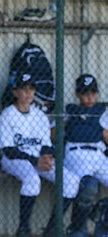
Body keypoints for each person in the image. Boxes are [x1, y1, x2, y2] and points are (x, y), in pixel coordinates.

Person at [0, 73, 81, 237]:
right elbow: (8, 150)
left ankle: (51, 228)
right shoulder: (7, 115)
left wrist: (48, 158)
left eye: (31, 89)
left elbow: (46, 144)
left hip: (38, 159)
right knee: (32, 179)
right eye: (24, 89)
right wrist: (36, 160)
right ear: (15, 92)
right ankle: (24, 228)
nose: (28, 94)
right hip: (15, 160)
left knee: (71, 181)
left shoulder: (39, 115)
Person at [63, 74, 108, 237]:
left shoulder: (103, 110)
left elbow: (107, 135)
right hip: (76, 153)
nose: (90, 97)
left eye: (93, 93)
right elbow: (53, 134)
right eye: (85, 93)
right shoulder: (69, 110)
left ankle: (102, 218)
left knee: (90, 187)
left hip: (99, 155)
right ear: (77, 94)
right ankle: (77, 229)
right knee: (88, 188)